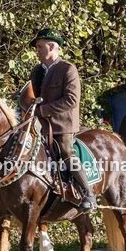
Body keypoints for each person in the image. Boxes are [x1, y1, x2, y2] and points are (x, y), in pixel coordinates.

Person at [29, 28, 96, 211]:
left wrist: (42, 110)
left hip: (62, 125)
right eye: (37, 47)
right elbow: (30, 95)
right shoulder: (36, 71)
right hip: (37, 123)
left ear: (52, 46)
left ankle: (87, 193)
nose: (37, 50)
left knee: (66, 152)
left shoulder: (67, 69)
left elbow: (71, 100)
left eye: (40, 46)